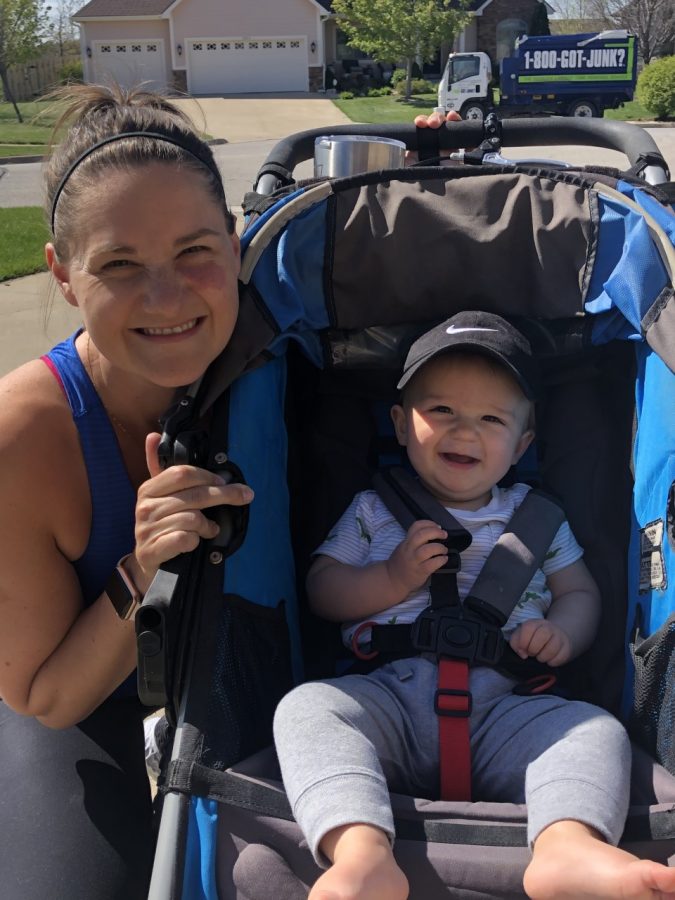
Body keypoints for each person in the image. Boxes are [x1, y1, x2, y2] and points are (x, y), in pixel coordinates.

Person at [273, 311, 675, 900]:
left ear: (523, 444)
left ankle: (566, 846)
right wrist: (390, 578)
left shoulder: (539, 518)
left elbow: (580, 592)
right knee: (307, 710)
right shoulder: (372, 510)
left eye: (491, 418)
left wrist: (563, 632)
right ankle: (361, 853)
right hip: (387, 697)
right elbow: (323, 588)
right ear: (400, 425)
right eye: (441, 411)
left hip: (508, 707)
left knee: (594, 731)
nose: (465, 431)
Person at [0, 84, 254, 899]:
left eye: (195, 253)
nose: (167, 296)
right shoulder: (22, 438)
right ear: (64, 276)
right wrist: (140, 569)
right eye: (117, 265)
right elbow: (43, 694)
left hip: (245, 676)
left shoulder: (278, 362)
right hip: (83, 703)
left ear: (237, 247)